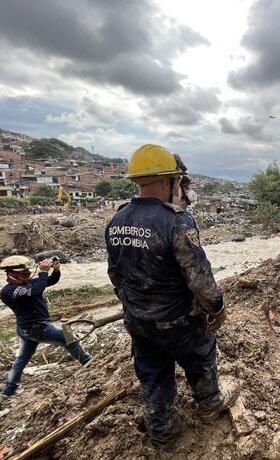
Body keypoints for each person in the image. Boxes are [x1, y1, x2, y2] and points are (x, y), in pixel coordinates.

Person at [105, 144, 238, 448]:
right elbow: (198, 276)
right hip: (179, 322)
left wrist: (135, 307)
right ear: (167, 181)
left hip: (139, 322)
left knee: (153, 374)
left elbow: (116, 275)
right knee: (201, 354)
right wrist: (216, 309)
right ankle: (209, 404)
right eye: (177, 182)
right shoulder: (176, 221)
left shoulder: (117, 220)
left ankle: (163, 431)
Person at [0, 256, 92, 399]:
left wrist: (55, 271)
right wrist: (43, 272)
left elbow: (50, 281)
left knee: (21, 360)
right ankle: (88, 362)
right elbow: (34, 292)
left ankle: (8, 391)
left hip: (28, 329)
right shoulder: (8, 291)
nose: (28, 275)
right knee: (67, 337)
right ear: (12, 274)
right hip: (36, 328)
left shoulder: (27, 283)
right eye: (24, 273)